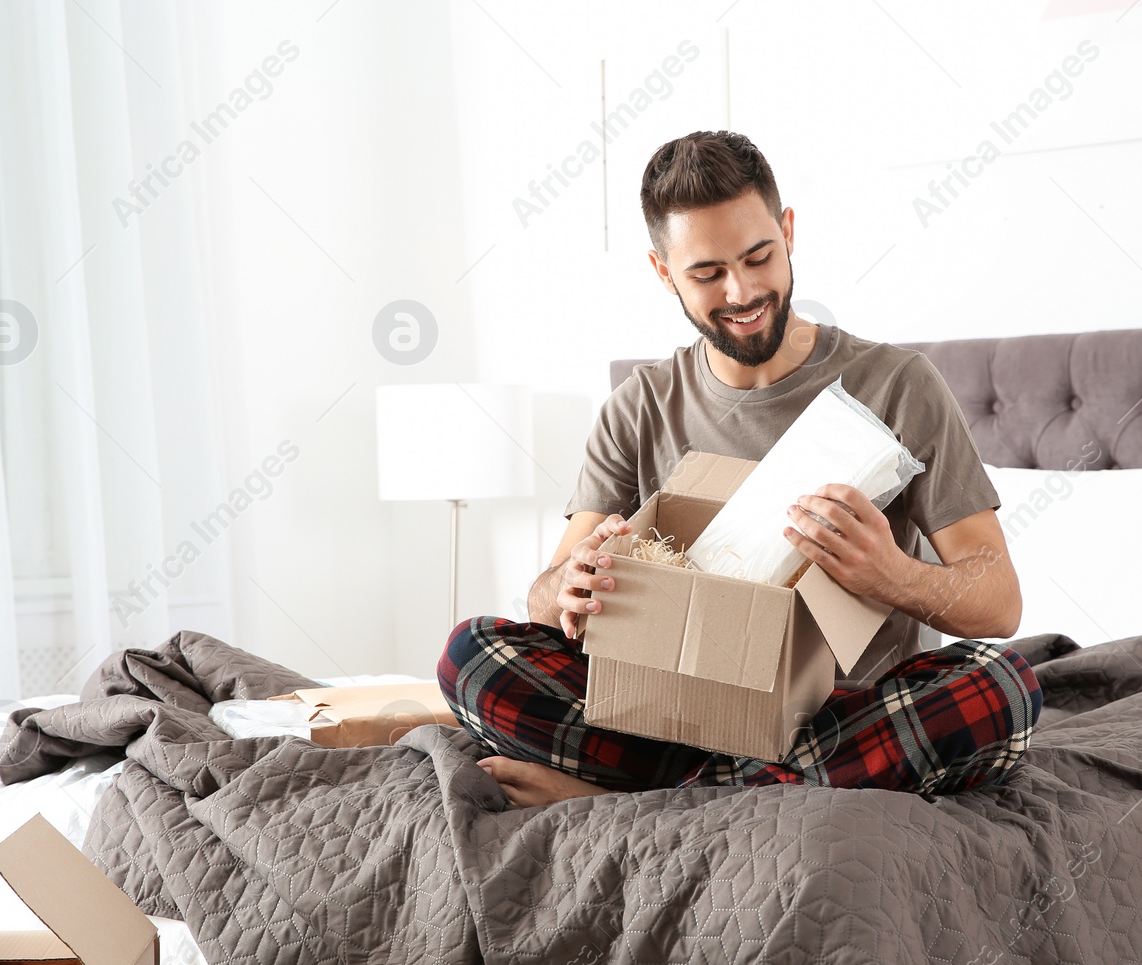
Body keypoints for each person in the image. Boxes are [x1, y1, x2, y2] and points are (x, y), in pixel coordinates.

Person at [439, 131, 1041, 808]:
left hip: (841, 720)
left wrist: (891, 574)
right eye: (706, 274)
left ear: (788, 231)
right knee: (471, 655)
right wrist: (568, 587)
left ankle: (627, 801)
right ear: (663, 271)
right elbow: (545, 605)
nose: (743, 290)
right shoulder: (639, 407)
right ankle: (720, 793)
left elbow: (1000, 601)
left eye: (759, 256)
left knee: (1002, 686)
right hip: (668, 719)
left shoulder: (899, 384)